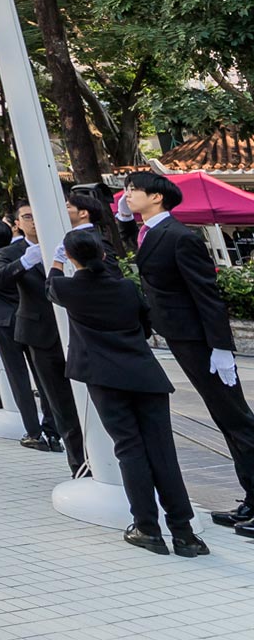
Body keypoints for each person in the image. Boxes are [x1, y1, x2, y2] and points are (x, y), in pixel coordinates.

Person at [50, 232, 207, 556]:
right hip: (146, 376)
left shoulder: (68, 288)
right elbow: (146, 325)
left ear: (70, 257)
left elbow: (49, 284)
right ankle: (185, 533)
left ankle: (147, 528)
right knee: (163, 452)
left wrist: (56, 261)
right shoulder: (125, 288)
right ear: (105, 256)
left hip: (104, 378)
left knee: (130, 449)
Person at [124, 169, 254, 538]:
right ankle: (251, 497)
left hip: (199, 340)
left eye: (134, 190)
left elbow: (206, 294)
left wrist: (221, 347)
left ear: (157, 197)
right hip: (179, 337)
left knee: (237, 419)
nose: (127, 195)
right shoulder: (149, 232)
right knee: (225, 418)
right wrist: (121, 221)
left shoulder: (180, 237)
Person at [0, 203, 80, 469]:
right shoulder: (12, 252)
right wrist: (25, 262)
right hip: (39, 329)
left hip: (74, 328)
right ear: (18, 223)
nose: (33, 221)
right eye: (27, 217)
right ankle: (61, 443)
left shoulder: (70, 244)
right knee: (51, 390)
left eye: (37, 215)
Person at [0, 218, 48, 447]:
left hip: (1, 320)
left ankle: (33, 429)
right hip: (27, 316)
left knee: (18, 376)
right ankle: (50, 426)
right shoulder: (20, 255)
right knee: (40, 373)